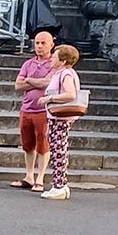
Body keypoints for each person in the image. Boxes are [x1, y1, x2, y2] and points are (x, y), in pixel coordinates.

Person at [38, 45, 82, 201]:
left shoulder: (66, 74)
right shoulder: (62, 73)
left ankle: (59, 185)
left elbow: (70, 94)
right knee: (58, 147)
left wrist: (49, 99)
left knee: (59, 149)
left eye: (55, 57)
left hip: (60, 117)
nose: (51, 59)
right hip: (57, 117)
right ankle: (60, 184)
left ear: (63, 61)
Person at [13, 31, 55, 192]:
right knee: (27, 143)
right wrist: (35, 82)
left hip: (43, 110)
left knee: (43, 143)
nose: (39, 46)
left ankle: (40, 178)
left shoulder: (53, 63)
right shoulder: (28, 64)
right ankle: (29, 175)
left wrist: (29, 80)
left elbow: (48, 83)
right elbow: (18, 85)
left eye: (43, 43)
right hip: (27, 108)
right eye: (37, 43)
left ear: (51, 45)